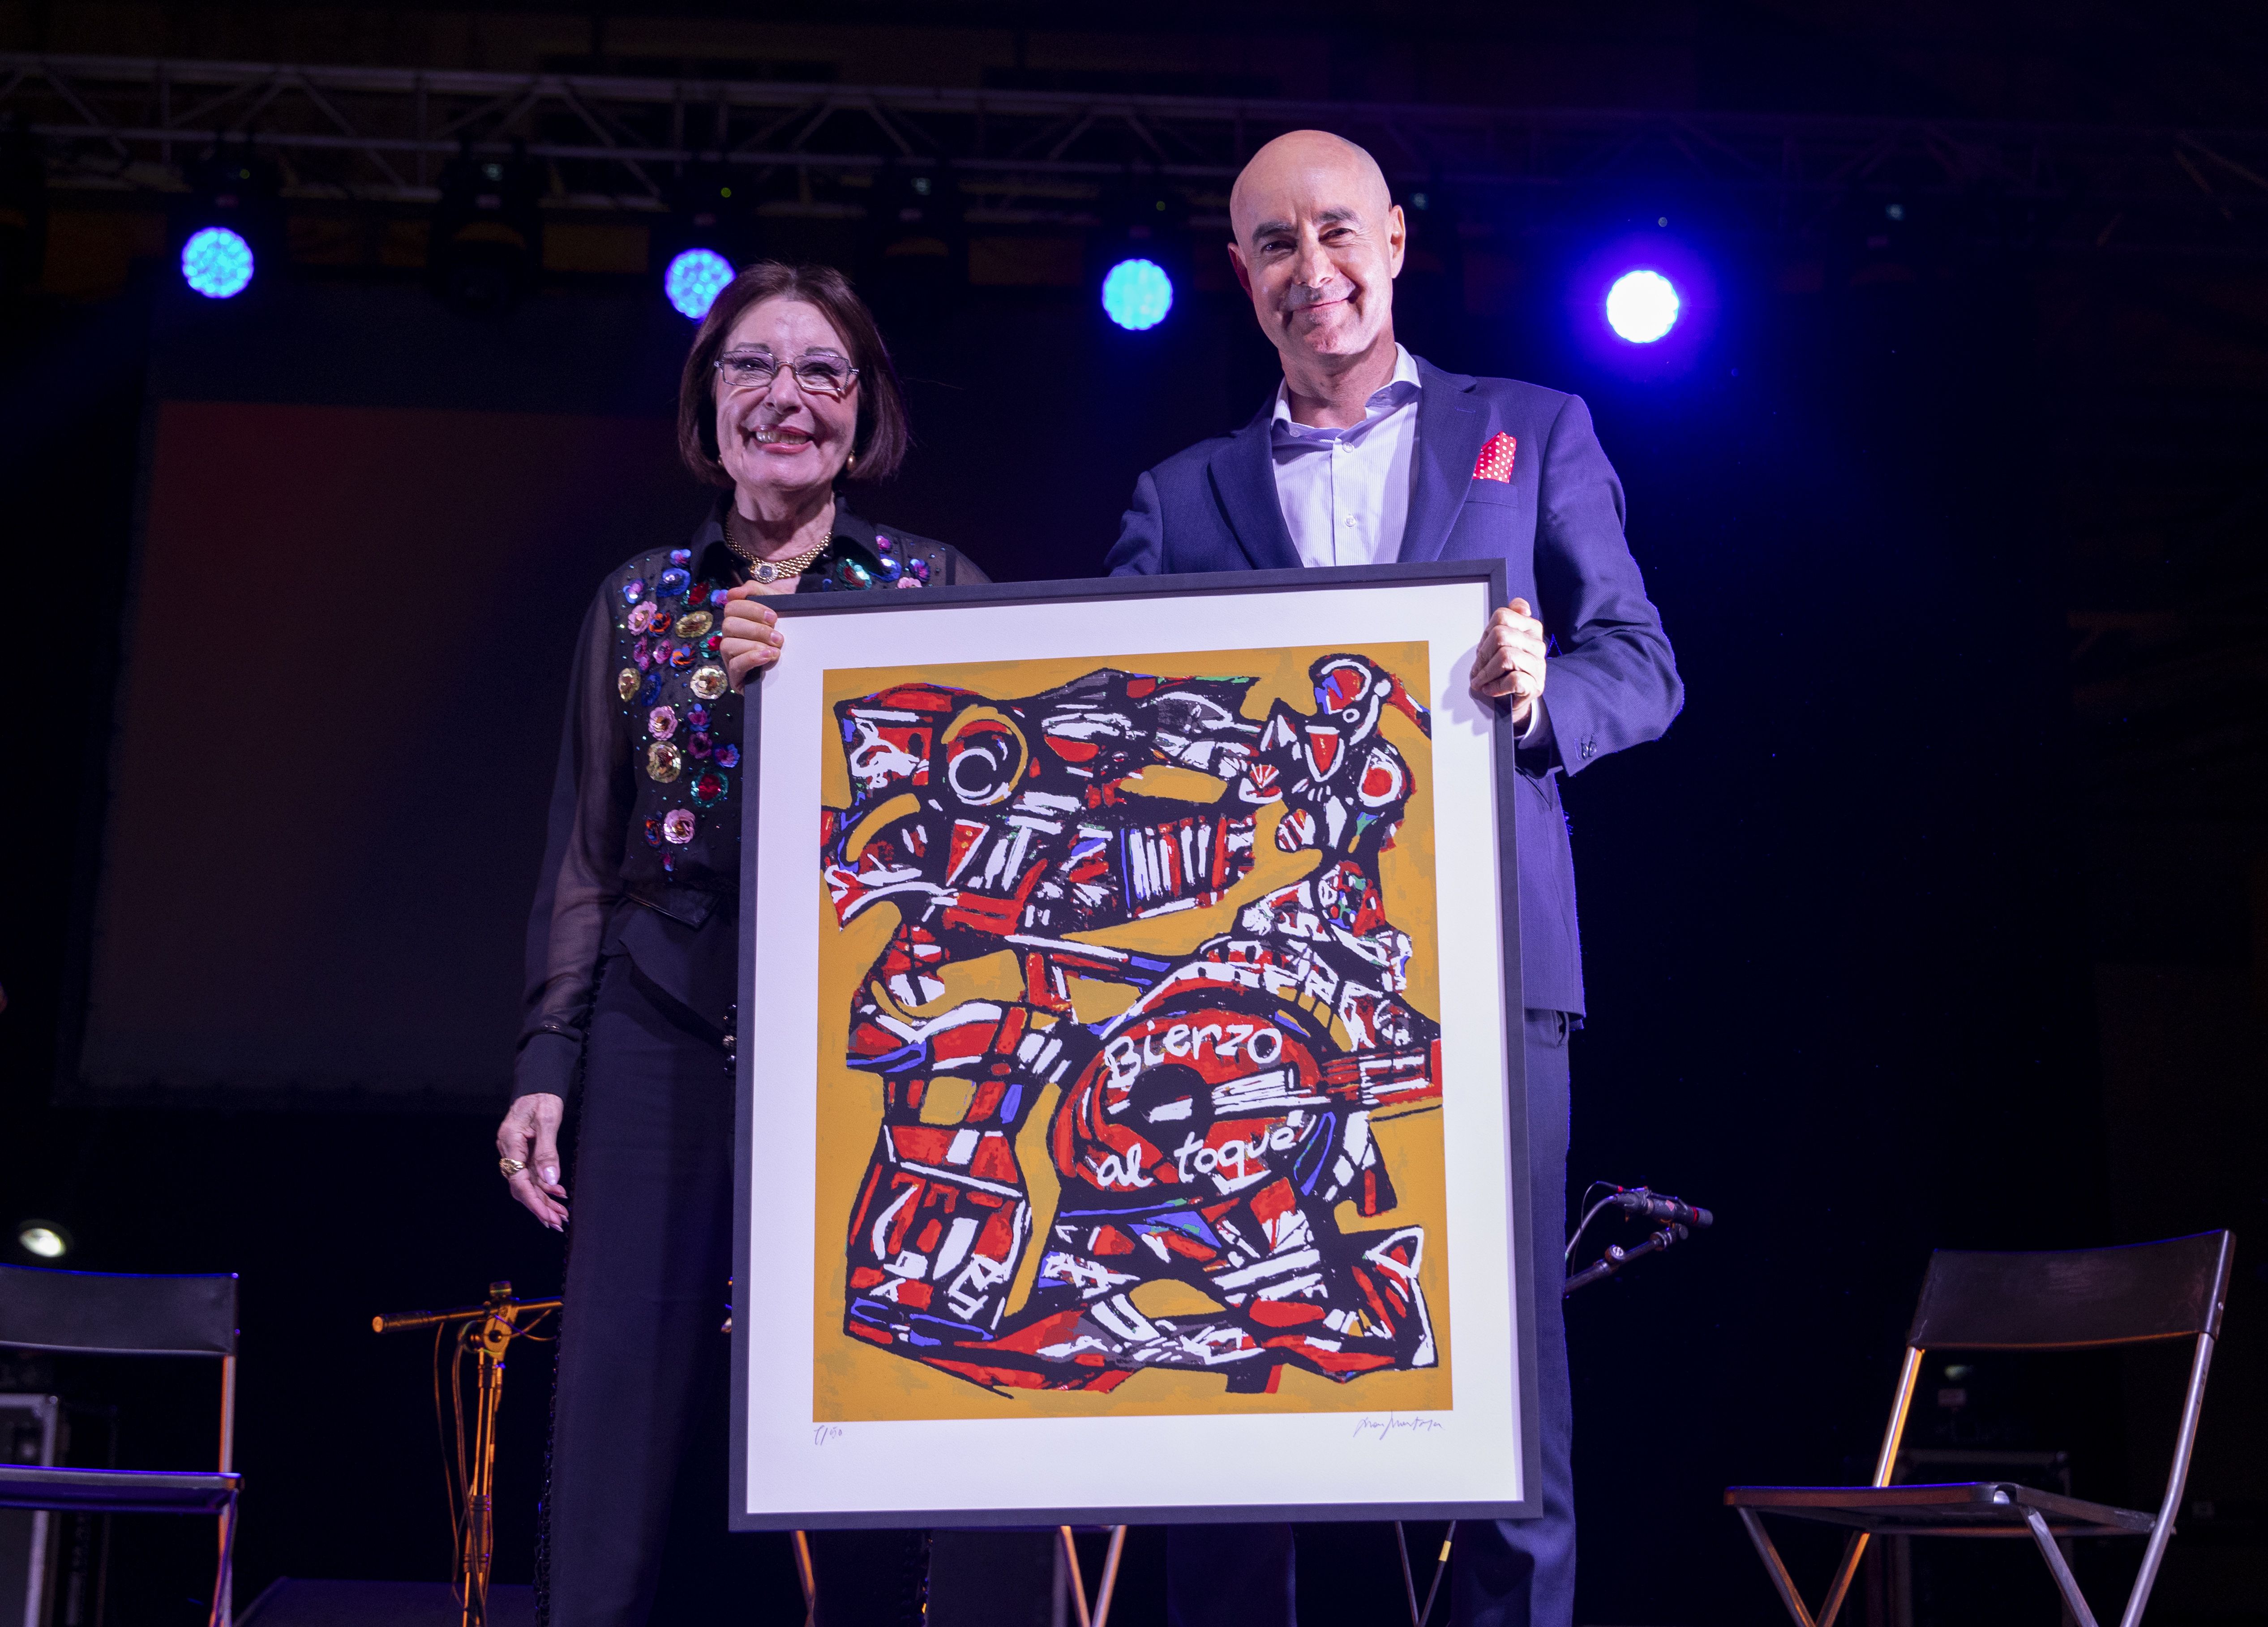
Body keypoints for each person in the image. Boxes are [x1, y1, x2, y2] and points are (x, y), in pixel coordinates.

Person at [1107, 130, 1685, 1627]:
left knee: (1503, 1373)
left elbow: (1645, 664)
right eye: (1277, 248)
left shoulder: (1536, 426)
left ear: (1396, 244)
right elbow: (1090, 714)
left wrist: (1545, 691)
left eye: (1338, 233)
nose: (1316, 271)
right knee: (1236, 1343)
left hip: (1491, 966)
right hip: (1254, 989)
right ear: (1241, 279)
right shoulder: (1179, 499)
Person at [493, 260, 989, 1627]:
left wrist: (825, 680)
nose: (787, 398)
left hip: (873, 1046)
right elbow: (592, 852)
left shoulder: (931, 585)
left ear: (863, 411)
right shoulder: (639, 601)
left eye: (822, 373)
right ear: (707, 399)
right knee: (613, 1394)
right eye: (753, 367)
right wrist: (549, 1057)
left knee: (876, 1391)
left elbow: (985, 829)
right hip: (665, 1021)